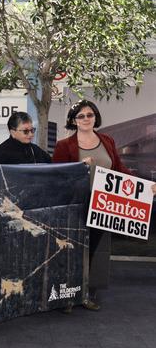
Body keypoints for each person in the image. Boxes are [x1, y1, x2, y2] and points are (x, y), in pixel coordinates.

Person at [53, 99, 130, 311]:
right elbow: (58, 175)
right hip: (75, 204)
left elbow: (120, 169)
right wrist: (79, 166)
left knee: (91, 252)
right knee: (72, 251)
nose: (86, 119)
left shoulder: (107, 140)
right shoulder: (63, 145)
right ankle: (67, 297)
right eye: (81, 116)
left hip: (103, 205)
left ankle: (84, 294)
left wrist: (143, 186)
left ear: (95, 117)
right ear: (73, 120)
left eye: (90, 115)